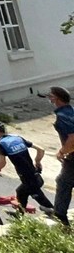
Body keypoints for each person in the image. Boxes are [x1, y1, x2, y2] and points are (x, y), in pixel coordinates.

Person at [0, 120, 54, 214]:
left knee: (39, 198)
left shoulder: (1, 143)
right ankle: (19, 215)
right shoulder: (17, 137)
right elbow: (41, 149)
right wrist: (37, 162)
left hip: (27, 178)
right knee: (21, 192)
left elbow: (2, 161)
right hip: (35, 175)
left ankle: (54, 214)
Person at [49, 85, 74, 226]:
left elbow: (73, 137)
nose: (50, 99)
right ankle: (58, 212)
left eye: (51, 96)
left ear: (56, 98)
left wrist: (62, 152)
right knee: (63, 181)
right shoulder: (71, 111)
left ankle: (60, 215)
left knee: (63, 182)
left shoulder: (62, 116)